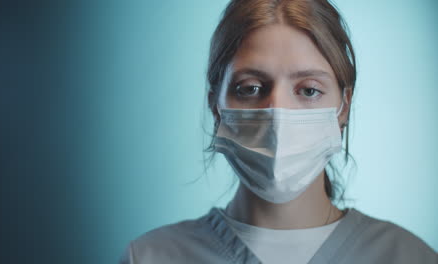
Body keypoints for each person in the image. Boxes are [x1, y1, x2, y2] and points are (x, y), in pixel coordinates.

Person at [120, 0, 438, 263]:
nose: (277, 113)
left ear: (344, 106)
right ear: (215, 105)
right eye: (251, 88)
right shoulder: (151, 256)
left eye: (309, 90)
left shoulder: (408, 257)